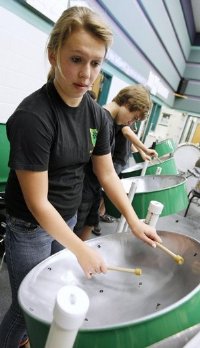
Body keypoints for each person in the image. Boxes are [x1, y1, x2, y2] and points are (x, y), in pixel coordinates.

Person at [0, 6, 161, 348]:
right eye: (76, 59)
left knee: (53, 291)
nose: (86, 73)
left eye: (95, 63)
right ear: (53, 55)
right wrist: (80, 249)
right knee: (25, 304)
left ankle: (30, 336)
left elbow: (105, 172)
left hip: (67, 216)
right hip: (30, 227)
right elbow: (38, 203)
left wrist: (133, 220)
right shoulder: (34, 117)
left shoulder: (95, 114)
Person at [74, 85, 157, 240]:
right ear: (128, 103)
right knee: (74, 234)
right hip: (82, 188)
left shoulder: (113, 122)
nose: (131, 122)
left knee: (89, 224)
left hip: (93, 187)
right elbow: (104, 171)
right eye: (134, 117)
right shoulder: (101, 118)